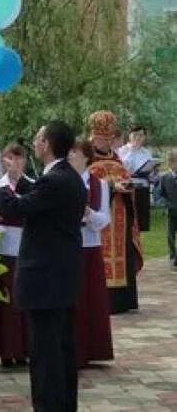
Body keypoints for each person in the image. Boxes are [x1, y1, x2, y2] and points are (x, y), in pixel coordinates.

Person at [0, 120, 86, 412]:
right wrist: (17, 180)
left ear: (47, 144)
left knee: (46, 354)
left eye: (37, 138)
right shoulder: (68, 176)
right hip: (62, 276)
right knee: (61, 349)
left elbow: (16, 208)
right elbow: (37, 202)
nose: (34, 143)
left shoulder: (54, 181)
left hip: (45, 277)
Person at [87, 111, 142, 314]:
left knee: (121, 255)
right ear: (94, 136)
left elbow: (125, 179)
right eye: (103, 138)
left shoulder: (116, 158)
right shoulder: (86, 157)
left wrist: (127, 187)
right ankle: (103, 301)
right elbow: (86, 184)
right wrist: (111, 186)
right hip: (99, 218)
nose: (107, 142)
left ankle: (122, 300)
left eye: (109, 138)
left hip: (120, 217)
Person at [68, 139, 114, 367]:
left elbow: (104, 219)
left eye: (74, 153)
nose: (70, 157)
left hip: (89, 246)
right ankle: (70, 351)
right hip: (66, 247)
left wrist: (88, 214)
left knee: (90, 299)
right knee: (70, 299)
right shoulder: (62, 182)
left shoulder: (100, 185)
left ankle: (91, 349)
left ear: (86, 157)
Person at [0, 144, 32, 367]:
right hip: (3, 248)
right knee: (6, 301)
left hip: (26, 248)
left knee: (24, 301)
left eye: (20, 158)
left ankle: (23, 349)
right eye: (11, 158)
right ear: (3, 160)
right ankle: (5, 350)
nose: (15, 162)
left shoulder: (33, 185)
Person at [118, 125, 155, 233]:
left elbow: (150, 169)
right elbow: (124, 168)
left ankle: (138, 245)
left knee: (140, 221)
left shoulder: (146, 152)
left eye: (141, 135)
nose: (138, 138)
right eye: (136, 135)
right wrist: (132, 150)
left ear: (145, 137)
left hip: (143, 187)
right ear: (130, 136)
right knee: (129, 219)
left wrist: (153, 173)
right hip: (128, 186)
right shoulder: (122, 150)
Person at [154, 150, 177, 270]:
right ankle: (173, 257)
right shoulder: (164, 178)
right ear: (171, 163)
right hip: (170, 212)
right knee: (170, 236)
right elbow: (158, 195)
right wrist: (165, 204)